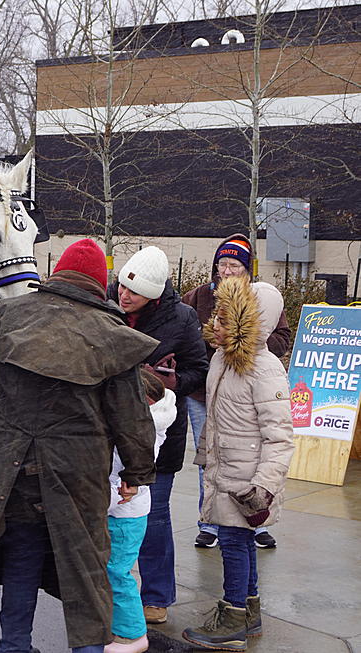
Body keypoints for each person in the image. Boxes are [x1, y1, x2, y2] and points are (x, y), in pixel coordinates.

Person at [0, 238, 159, 653]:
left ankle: (13, 646)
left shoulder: (7, 315)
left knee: (22, 557)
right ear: (101, 286)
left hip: (9, 466)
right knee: (85, 567)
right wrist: (136, 473)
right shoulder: (112, 336)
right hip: (76, 472)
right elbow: (131, 419)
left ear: (57, 273)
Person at [182, 278, 294, 651]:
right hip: (224, 471)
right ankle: (249, 611)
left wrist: (263, 485)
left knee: (234, 542)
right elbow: (216, 418)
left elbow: (279, 436)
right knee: (240, 542)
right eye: (217, 316)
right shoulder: (222, 359)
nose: (216, 324)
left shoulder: (265, 369)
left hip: (247, 480)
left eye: (227, 320)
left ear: (253, 325)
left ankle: (231, 618)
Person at [107, 246, 208, 625]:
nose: (123, 294)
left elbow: (200, 369)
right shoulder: (108, 306)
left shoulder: (182, 318)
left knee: (155, 516)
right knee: (108, 514)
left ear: (154, 293)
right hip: (109, 432)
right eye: (121, 286)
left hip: (158, 435)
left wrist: (173, 382)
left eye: (133, 292)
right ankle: (110, 587)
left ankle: (157, 595)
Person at [182, 234, 290, 551]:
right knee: (213, 459)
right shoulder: (198, 296)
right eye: (222, 264)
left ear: (246, 271)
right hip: (207, 393)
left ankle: (256, 522)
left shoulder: (260, 301)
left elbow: (281, 339)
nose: (227, 271)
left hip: (248, 392)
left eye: (234, 265)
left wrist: (245, 342)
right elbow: (185, 335)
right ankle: (209, 521)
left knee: (250, 457)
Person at [105, 368, 174, 653]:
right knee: (113, 572)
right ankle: (118, 627)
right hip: (125, 510)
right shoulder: (147, 423)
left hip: (123, 513)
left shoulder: (139, 431)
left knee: (117, 573)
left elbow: (118, 475)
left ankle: (132, 635)